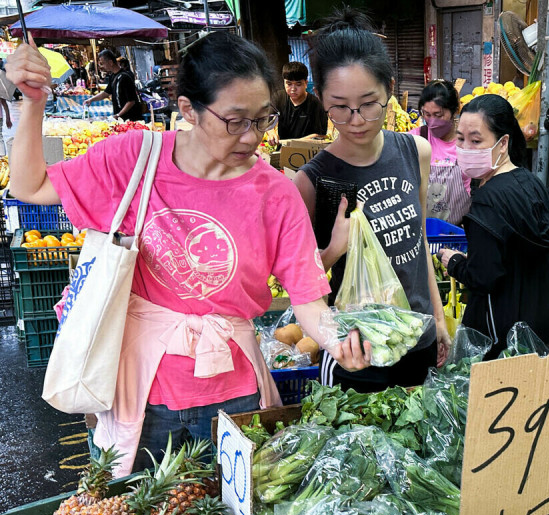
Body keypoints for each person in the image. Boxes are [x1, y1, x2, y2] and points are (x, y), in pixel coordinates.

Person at [7, 31, 369, 475]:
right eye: (236, 120)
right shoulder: (133, 159)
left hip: (235, 395)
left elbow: (307, 297)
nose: (252, 136)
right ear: (188, 111)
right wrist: (32, 101)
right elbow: (29, 186)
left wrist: (335, 339)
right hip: (138, 389)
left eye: (262, 119)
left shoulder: (276, 193)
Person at [294, 8, 450, 392]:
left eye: (368, 103)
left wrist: (440, 318)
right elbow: (302, 286)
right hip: (356, 354)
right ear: (321, 99)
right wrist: (333, 249)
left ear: (390, 91)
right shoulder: (312, 181)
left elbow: (419, 244)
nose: (357, 119)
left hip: (417, 339)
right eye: (340, 107)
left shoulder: (416, 151)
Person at [436, 94, 549, 359]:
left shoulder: (489, 200)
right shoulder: (531, 183)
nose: (466, 148)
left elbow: (483, 277)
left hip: (499, 335)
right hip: (538, 324)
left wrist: (455, 263)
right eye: (460, 139)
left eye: (476, 140)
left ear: (503, 142)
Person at [409, 80, 470, 225]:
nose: (432, 122)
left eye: (439, 115)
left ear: (455, 111)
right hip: (423, 231)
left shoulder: (467, 144)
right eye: (427, 114)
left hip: (457, 234)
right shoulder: (416, 139)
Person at [271, 61, 327, 141]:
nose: (293, 89)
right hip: (282, 150)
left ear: (306, 83)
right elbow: (266, 121)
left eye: (298, 84)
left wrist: (294, 143)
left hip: (307, 150)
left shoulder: (316, 104)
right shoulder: (279, 98)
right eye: (289, 84)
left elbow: (321, 135)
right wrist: (271, 133)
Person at [84, 49, 143, 121]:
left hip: (130, 119)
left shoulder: (125, 77)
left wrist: (118, 115)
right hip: (121, 119)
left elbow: (131, 101)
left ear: (110, 62)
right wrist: (91, 100)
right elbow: (106, 93)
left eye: (102, 63)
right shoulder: (112, 76)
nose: (101, 66)